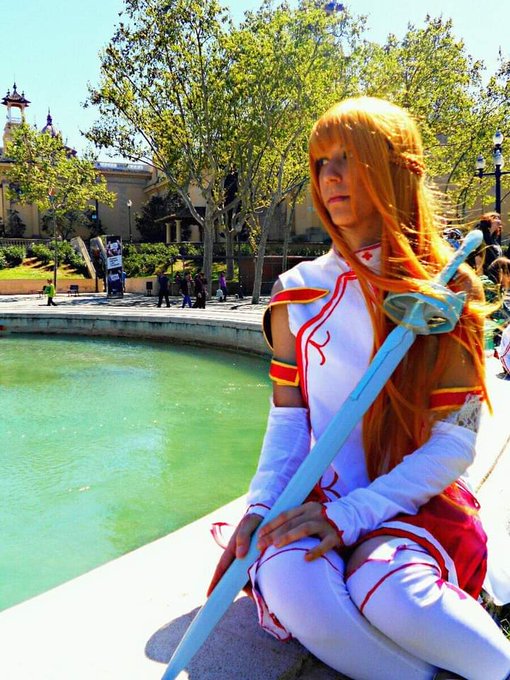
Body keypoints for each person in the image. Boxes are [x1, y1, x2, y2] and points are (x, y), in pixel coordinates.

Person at [209, 97, 510, 680]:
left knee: (390, 591)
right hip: (318, 498)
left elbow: (454, 444)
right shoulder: (296, 291)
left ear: (396, 167)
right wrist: (263, 504)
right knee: (292, 579)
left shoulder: (450, 288)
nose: (331, 176)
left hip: (414, 500)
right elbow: (290, 420)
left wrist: (356, 516)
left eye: (349, 157)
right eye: (321, 162)